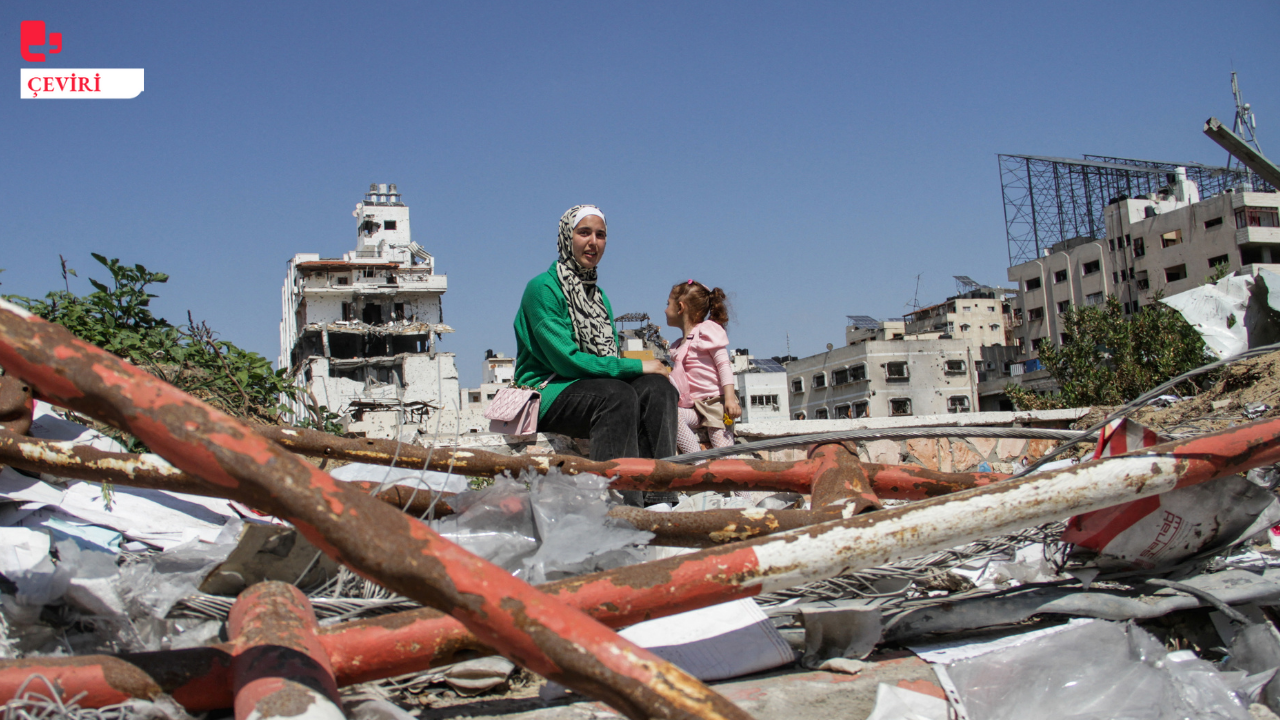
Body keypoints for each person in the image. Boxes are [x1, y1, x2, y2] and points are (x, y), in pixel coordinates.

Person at [512, 205, 678, 462]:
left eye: (600, 235)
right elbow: (567, 361)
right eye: (584, 233)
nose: (593, 242)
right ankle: (616, 494)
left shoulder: (599, 298)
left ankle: (659, 496)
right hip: (548, 389)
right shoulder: (542, 288)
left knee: (658, 389)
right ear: (567, 237)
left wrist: (646, 372)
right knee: (616, 396)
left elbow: (606, 353)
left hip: (592, 385)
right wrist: (637, 366)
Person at [665, 280, 741, 454]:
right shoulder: (679, 345)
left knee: (723, 453)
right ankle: (697, 460)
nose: (664, 309)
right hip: (695, 408)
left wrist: (729, 399)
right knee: (671, 414)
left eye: (667, 303)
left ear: (680, 307)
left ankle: (730, 475)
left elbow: (724, 365)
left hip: (715, 404)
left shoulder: (706, 331)